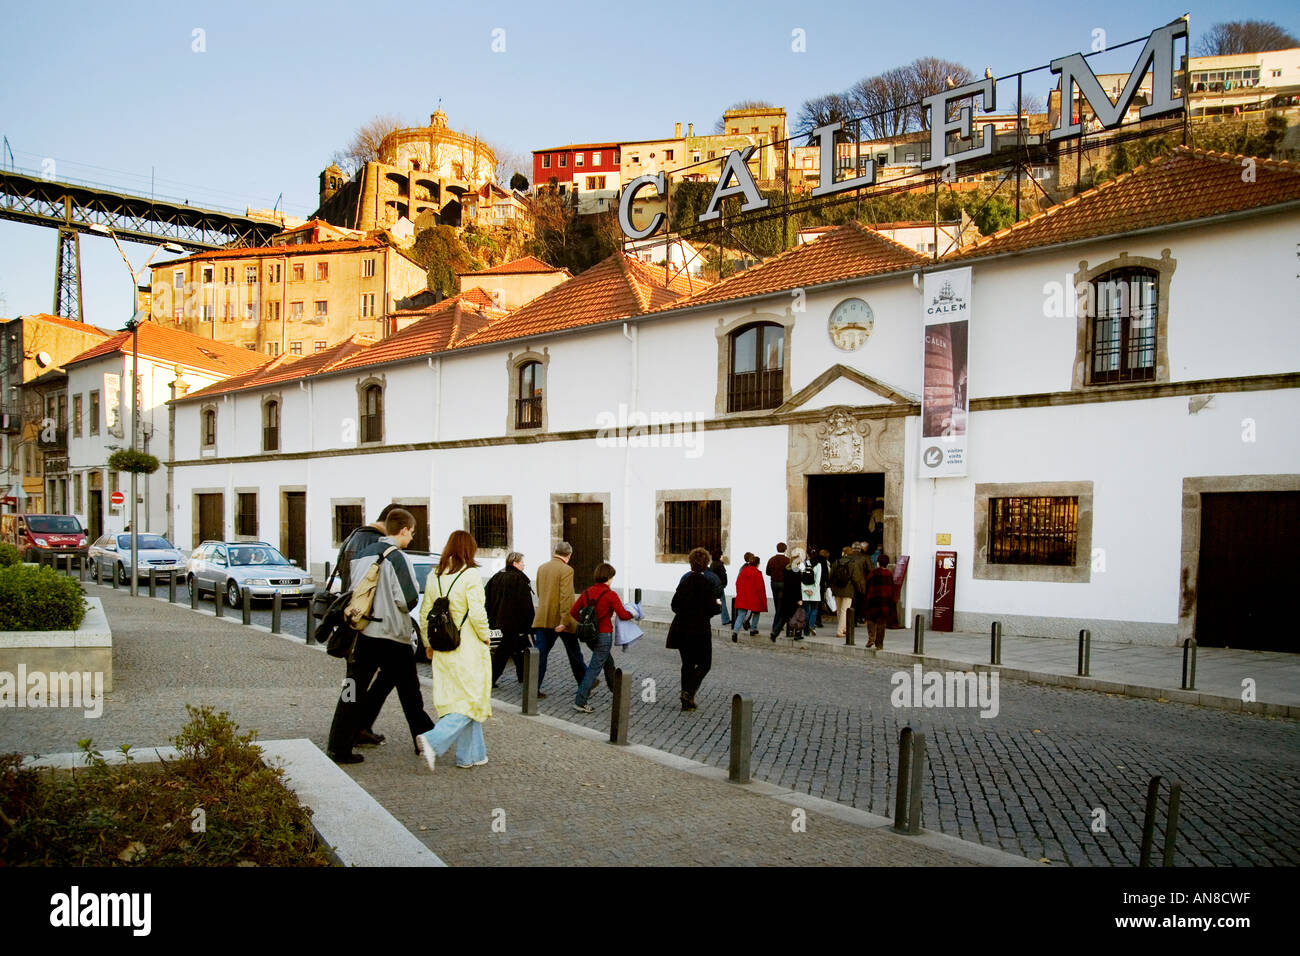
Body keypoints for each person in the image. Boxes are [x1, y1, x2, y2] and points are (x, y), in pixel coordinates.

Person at [329, 508, 434, 764]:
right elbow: (408, 599)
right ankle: (426, 740)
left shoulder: (362, 554)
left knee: (352, 689)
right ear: (405, 529)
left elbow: (354, 591)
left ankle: (339, 744)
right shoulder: (398, 557)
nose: (411, 538)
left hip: (364, 632)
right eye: (412, 532)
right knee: (411, 694)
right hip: (392, 635)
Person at [326, 504, 400, 758]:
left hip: (352, 622)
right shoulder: (376, 543)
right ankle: (342, 741)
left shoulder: (352, 537)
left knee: (357, 683)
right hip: (366, 626)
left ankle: (356, 728)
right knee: (360, 683)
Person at [416, 530, 492, 771]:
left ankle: (471, 756)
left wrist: (428, 644)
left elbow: (425, 613)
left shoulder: (434, 576)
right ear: (470, 550)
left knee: (457, 698)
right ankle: (432, 740)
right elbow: (478, 614)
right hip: (467, 647)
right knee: (472, 700)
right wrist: (487, 637)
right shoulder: (471, 575)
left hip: (442, 648)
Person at [569, 563, 636, 713]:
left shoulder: (587, 592)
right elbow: (623, 615)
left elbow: (573, 612)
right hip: (604, 635)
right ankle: (580, 701)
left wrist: (586, 622)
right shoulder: (611, 594)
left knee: (608, 664)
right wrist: (635, 613)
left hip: (590, 636)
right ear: (609, 577)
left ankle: (617, 694)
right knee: (594, 668)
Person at [532, 541, 586, 698]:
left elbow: (540, 592)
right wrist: (564, 620)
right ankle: (585, 680)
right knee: (574, 651)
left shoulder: (542, 567)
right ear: (568, 555)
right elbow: (566, 597)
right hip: (561, 619)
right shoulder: (567, 570)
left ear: (555, 552)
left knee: (540, 654)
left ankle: (533, 687)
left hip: (543, 616)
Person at [667, 547, 717, 711]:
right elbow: (711, 609)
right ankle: (688, 692)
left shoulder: (684, 582)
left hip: (681, 628)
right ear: (706, 564)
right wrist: (717, 606)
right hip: (699, 629)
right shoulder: (706, 584)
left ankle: (686, 701)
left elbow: (674, 605)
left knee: (687, 664)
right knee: (705, 664)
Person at [485, 551, 534, 687]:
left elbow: (487, 598)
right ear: (515, 563)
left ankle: (523, 679)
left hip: (501, 620)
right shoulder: (519, 579)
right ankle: (491, 680)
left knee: (518, 649)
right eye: (522, 562)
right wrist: (528, 624)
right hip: (514, 623)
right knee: (506, 651)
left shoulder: (497, 576)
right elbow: (525, 604)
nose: (524, 565)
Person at [769, 547, 809, 642]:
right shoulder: (797, 572)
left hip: (786, 596)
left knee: (784, 617)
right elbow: (797, 586)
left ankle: (775, 632)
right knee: (798, 615)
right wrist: (799, 598)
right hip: (794, 597)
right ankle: (797, 634)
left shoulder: (786, 569)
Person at [863, 553, 896, 650]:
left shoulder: (873, 573)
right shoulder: (889, 574)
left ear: (878, 563)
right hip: (884, 601)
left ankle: (871, 638)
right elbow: (892, 589)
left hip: (872, 599)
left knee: (870, 619)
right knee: (882, 623)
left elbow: (867, 585)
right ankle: (879, 644)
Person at [731, 552, 767, 640]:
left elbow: (737, 583)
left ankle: (735, 632)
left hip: (743, 596)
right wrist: (763, 599)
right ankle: (753, 629)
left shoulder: (743, 571)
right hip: (753, 597)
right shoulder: (757, 573)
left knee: (741, 615)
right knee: (756, 612)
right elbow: (760, 588)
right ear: (757, 564)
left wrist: (739, 593)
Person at [831, 545, 860, 641]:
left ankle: (843, 628)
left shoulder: (836, 562)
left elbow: (831, 575)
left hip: (836, 589)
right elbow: (856, 578)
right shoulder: (852, 564)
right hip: (848, 589)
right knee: (845, 610)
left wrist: (832, 586)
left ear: (843, 553)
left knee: (839, 610)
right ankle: (840, 631)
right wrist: (858, 588)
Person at [800, 549, 822, 636]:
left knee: (806, 610)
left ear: (808, 555)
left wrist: (805, 589)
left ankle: (806, 630)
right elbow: (818, 580)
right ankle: (811, 625)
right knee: (814, 610)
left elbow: (800, 579)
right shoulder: (818, 565)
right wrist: (813, 590)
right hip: (815, 592)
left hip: (805, 592)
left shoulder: (803, 564)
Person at [766, 543, 789, 616]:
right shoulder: (787, 560)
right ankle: (778, 621)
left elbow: (767, 572)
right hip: (783, 583)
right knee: (782, 602)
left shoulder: (771, 559)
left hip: (774, 583)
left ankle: (778, 617)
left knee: (776, 601)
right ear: (785, 550)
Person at [708, 549, 730, 626]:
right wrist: (723, 585)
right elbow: (723, 576)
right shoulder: (719, 565)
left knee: (717, 602)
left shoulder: (712, 564)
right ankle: (725, 619)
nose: (722, 556)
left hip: (714, 587)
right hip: (719, 587)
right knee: (722, 603)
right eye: (721, 555)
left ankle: (725, 619)